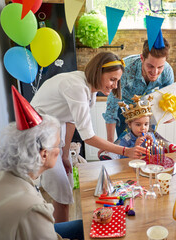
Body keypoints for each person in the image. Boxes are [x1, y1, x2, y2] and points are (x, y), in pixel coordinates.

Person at [30, 52, 146, 223]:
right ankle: (60, 234)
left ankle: (61, 229)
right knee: (62, 194)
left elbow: (70, 120)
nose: (115, 85)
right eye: (112, 79)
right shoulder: (77, 87)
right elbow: (88, 136)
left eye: (117, 81)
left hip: (55, 125)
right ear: (99, 72)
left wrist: (65, 154)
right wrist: (125, 151)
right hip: (38, 132)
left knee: (67, 189)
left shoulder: (90, 88)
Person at [0, 87, 84, 240]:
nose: (61, 149)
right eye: (59, 144)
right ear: (44, 154)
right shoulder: (32, 209)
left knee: (86, 225)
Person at [102, 35, 174, 144]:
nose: (155, 72)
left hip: (147, 112)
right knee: (125, 148)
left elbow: (169, 98)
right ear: (142, 58)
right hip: (125, 113)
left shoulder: (167, 71)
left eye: (160, 67)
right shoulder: (125, 70)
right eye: (150, 66)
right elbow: (111, 109)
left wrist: (169, 114)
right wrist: (110, 143)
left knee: (148, 146)